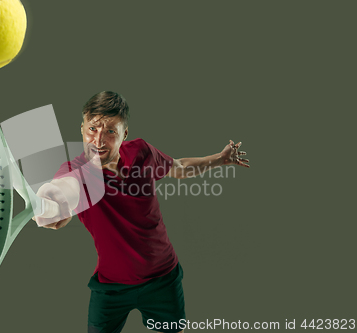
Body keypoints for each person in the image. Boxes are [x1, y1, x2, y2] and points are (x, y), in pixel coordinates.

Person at [33, 91, 250, 333]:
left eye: (110, 132)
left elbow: (178, 167)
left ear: (125, 134)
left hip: (163, 279)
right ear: (81, 128)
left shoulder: (141, 152)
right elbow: (65, 191)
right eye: (92, 129)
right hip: (111, 287)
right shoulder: (77, 171)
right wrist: (52, 201)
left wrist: (220, 159)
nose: (98, 140)